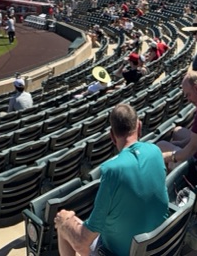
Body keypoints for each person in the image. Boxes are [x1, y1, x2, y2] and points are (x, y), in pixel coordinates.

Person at [52, 104, 169, 256]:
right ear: (139, 127)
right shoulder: (155, 151)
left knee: (63, 222)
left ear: (112, 136)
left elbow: (83, 241)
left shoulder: (112, 171)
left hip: (116, 252)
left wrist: (65, 219)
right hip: (157, 247)